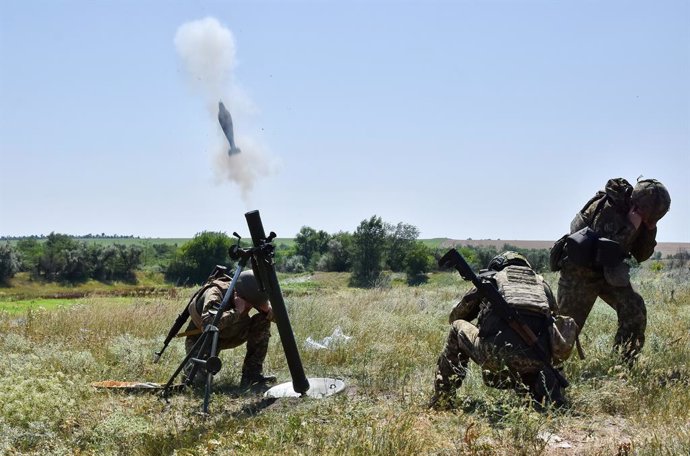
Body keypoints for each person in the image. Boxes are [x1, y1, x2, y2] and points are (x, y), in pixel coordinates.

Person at [430, 252, 575, 410]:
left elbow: (455, 316)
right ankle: (545, 395)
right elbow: (554, 324)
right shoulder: (542, 285)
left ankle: (443, 398)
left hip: (495, 356)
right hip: (538, 360)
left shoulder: (490, 279)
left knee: (457, 326)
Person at [554, 178, 671, 363]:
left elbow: (641, 255)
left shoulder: (643, 216)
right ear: (636, 203)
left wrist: (649, 230)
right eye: (648, 215)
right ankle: (543, 371)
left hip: (610, 273)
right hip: (580, 272)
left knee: (635, 310)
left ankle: (624, 363)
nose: (648, 219)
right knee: (565, 328)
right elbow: (607, 250)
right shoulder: (610, 209)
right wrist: (631, 226)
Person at [184, 269, 276, 388]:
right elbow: (208, 325)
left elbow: (282, 320)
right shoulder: (216, 292)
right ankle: (190, 370)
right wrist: (237, 311)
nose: (251, 307)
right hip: (203, 339)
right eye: (249, 303)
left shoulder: (252, 293)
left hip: (232, 334)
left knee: (262, 321)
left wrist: (268, 310)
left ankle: (252, 375)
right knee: (198, 384)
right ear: (238, 294)